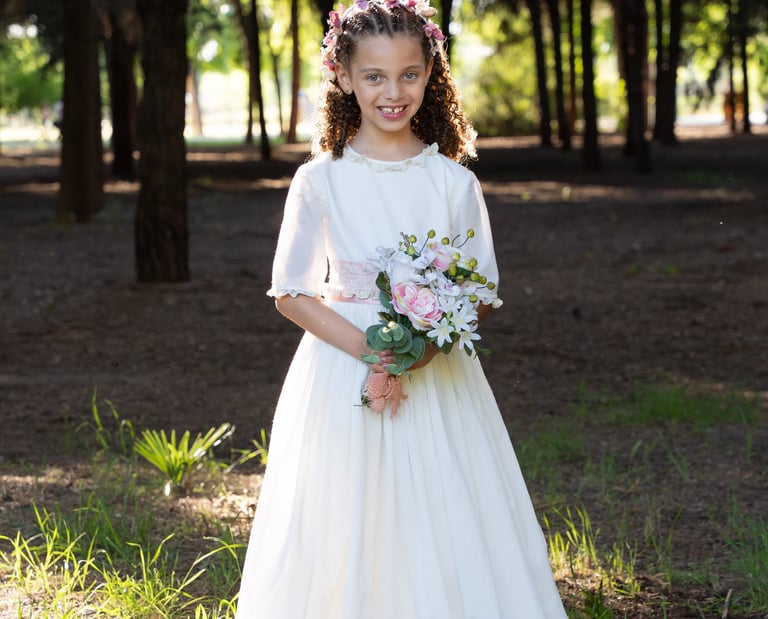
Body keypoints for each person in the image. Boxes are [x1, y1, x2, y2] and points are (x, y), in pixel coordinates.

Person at [235, 1, 568, 617]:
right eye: (374, 76)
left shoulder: (453, 182)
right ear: (343, 77)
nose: (393, 92)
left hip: (435, 372)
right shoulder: (320, 179)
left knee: (441, 499)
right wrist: (372, 351)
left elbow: (480, 290)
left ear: (430, 74)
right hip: (340, 364)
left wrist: (427, 347)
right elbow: (291, 291)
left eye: (409, 74)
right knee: (345, 505)